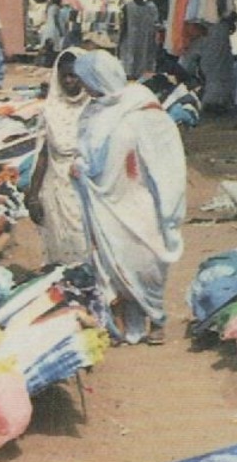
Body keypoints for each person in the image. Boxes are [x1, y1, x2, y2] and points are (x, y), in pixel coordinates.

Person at [70, 50, 186, 345]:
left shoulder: (143, 110)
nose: (86, 89)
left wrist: (170, 206)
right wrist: (80, 169)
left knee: (146, 261)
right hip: (104, 205)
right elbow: (86, 154)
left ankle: (156, 318)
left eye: (88, 81)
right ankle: (121, 324)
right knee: (110, 265)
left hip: (139, 201)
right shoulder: (93, 113)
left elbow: (166, 161)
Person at [24, 50, 91, 265]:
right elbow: (43, 153)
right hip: (57, 188)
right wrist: (33, 194)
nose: (70, 81)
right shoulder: (51, 110)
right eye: (65, 76)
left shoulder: (95, 109)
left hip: (87, 189)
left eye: (74, 75)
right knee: (60, 246)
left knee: (86, 245)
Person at [179, 13, 236, 112]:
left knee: (214, 71)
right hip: (206, 30)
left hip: (206, 30)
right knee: (215, 71)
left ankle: (213, 102)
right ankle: (214, 102)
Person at [118, 0, 160, 79]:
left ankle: (132, 77)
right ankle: (143, 77)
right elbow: (156, 24)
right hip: (147, 38)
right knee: (145, 58)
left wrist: (120, 40)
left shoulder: (128, 7)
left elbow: (124, 25)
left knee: (131, 58)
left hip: (131, 38)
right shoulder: (152, 7)